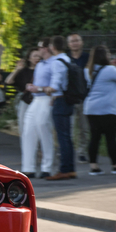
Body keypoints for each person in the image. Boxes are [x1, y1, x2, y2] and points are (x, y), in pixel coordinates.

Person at [83, 45, 116, 175]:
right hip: (108, 109)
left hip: (91, 108)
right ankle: (115, 165)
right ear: (105, 56)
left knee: (94, 138)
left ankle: (94, 167)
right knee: (110, 138)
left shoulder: (88, 70)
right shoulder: (110, 70)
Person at [44, 35, 76, 181]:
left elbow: (55, 85)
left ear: (52, 47)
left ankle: (64, 170)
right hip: (68, 100)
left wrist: (46, 89)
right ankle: (70, 168)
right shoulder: (67, 59)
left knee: (62, 137)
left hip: (60, 101)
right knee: (67, 136)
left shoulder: (57, 62)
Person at [22, 38, 55, 179]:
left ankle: (47, 167)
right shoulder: (40, 65)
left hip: (47, 98)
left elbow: (55, 86)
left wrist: (38, 88)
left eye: (40, 47)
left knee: (43, 128)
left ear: (46, 48)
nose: (38, 50)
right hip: (36, 99)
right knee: (28, 130)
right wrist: (31, 87)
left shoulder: (55, 63)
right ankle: (28, 167)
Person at [5, 48, 41, 137]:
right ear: (29, 58)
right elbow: (8, 81)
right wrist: (17, 69)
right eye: (35, 56)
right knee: (23, 125)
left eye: (39, 56)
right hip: (26, 101)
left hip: (40, 101)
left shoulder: (43, 70)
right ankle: (26, 147)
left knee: (39, 126)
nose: (37, 58)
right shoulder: (24, 71)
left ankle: (38, 148)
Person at [67, 33, 91, 163]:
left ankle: (82, 152)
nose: (75, 43)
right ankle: (68, 152)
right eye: (72, 41)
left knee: (84, 127)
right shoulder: (66, 58)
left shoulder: (87, 58)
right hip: (69, 98)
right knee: (69, 128)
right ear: (68, 44)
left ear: (81, 42)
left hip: (84, 97)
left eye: (77, 40)